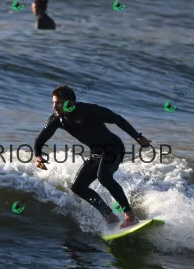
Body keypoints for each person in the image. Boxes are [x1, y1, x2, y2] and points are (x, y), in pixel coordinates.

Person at [33, 85, 151, 229]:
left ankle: (130, 216)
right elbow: (41, 139)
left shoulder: (88, 110)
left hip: (114, 148)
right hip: (97, 153)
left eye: (58, 103)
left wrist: (138, 137)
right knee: (78, 187)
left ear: (70, 102)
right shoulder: (57, 119)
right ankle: (109, 215)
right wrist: (38, 156)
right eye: (53, 102)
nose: (54, 106)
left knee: (104, 177)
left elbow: (117, 119)